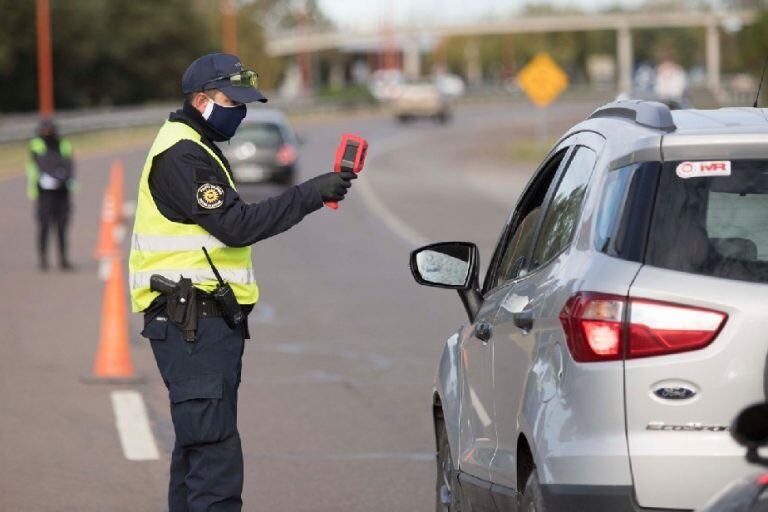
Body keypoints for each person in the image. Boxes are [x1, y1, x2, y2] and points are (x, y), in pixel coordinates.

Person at [128, 53, 357, 512]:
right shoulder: (183, 154)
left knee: (198, 449)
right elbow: (236, 226)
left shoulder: (195, 145)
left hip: (199, 322)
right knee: (214, 457)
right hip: (191, 321)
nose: (242, 111)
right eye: (233, 101)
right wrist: (311, 193)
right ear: (200, 100)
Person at [26, 119, 76, 270]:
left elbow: (69, 164)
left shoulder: (64, 144)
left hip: (62, 191)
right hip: (44, 193)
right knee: (44, 227)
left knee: (62, 227)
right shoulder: (36, 144)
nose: (47, 132)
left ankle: (63, 259)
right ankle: (43, 259)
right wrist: (55, 174)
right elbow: (40, 164)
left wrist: (62, 177)